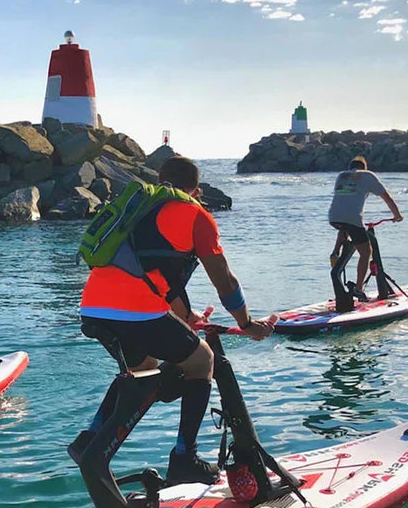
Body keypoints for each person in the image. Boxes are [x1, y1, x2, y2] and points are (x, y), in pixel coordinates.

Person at [76, 156, 275, 485]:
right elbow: (224, 280)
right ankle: (185, 458)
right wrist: (247, 323)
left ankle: (92, 437)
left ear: (160, 179)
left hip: (94, 306)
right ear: (195, 191)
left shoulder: (139, 209)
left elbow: (151, 271)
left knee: (145, 370)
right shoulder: (196, 214)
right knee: (202, 360)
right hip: (134, 310)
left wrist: (186, 317)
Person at [328, 156, 403, 296]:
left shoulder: (342, 175)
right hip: (352, 219)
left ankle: (336, 251)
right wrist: (397, 215)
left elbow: (345, 199)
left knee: (346, 229)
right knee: (366, 252)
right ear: (365, 167)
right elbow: (387, 198)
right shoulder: (367, 175)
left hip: (333, 217)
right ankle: (359, 289)